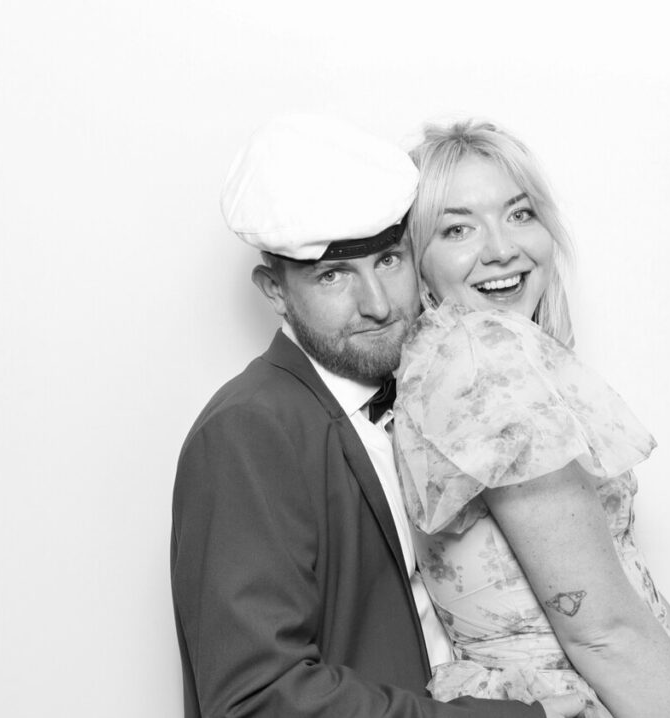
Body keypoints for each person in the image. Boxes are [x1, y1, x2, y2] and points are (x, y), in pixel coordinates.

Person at [170, 113, 586, 718]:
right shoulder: (249, 430)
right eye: (333, 275)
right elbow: (256, 698)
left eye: (389, 261)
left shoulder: (434, 393)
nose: (377, 304)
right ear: (274, 289)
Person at [392, 120, 670, 718]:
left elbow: (632, 597)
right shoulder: (486, 360)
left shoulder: (449, 358)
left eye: (518, 214)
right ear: (417, 260)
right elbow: (604, 634)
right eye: (457, 228)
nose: (501, 248)